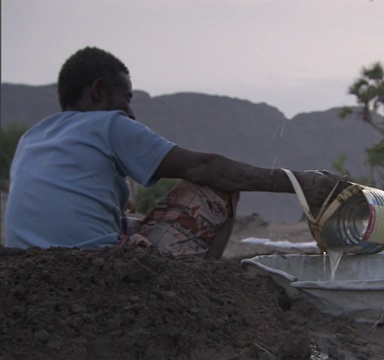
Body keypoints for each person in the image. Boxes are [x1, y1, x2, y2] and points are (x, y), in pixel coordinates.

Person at [4, 46, 342, 259]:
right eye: (126, 98)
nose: (130, 113)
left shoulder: (33, 137)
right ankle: (195, 293)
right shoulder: (108, 125)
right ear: (98, 92)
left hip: (31, 270)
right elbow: (203, 167)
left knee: (132, 222)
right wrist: (298, 182)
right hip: (91, 271)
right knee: (217, 188)